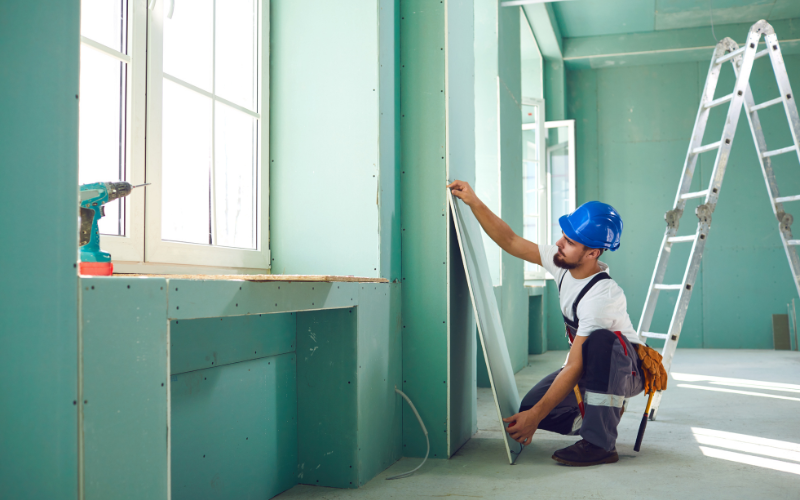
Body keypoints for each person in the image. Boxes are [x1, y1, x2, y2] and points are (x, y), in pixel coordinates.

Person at [447, 179, 644, 466]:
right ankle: (595, 417)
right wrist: (473, 201)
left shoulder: (603, 296)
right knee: (530, 407)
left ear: (593, 253)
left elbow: (575, 365)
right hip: (592, 364)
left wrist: (535, 418)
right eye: (563, 235)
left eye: (570, 241)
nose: (559, 244)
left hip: (626, 369)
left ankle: (600, 444)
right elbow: (512, 241)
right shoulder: (563, 261)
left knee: (601, 342)